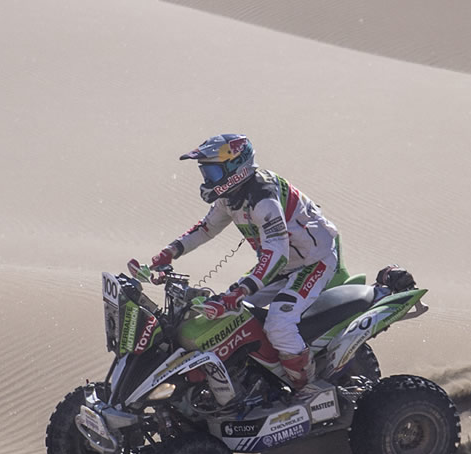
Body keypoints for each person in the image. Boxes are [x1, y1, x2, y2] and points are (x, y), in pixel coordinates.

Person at [139, 133, 341, 391]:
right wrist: (169, 252)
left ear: (235, 167)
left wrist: (243, 289)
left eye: (212, 172)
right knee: (231, 314)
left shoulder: (262, 198)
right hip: (281, 265)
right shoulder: (230, 195)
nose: (207, 179)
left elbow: (276, 253)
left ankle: (308, 390)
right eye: (205, 173)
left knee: (279, 323)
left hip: (314, 262)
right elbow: (206, 229)